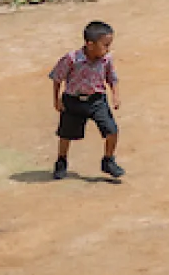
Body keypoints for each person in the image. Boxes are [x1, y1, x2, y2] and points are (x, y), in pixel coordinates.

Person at [49, 21, 125, 181]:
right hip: (73, 101)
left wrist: (115, 96)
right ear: (90, 44)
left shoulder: (106, 59)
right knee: (66, 134)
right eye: (105, 45)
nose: (108, 49)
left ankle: (108, 160)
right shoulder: (72, 59)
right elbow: (57, 77)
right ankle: (61, 161)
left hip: (97, 100)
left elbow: (112, 78)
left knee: (112, 130)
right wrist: (56, 100)